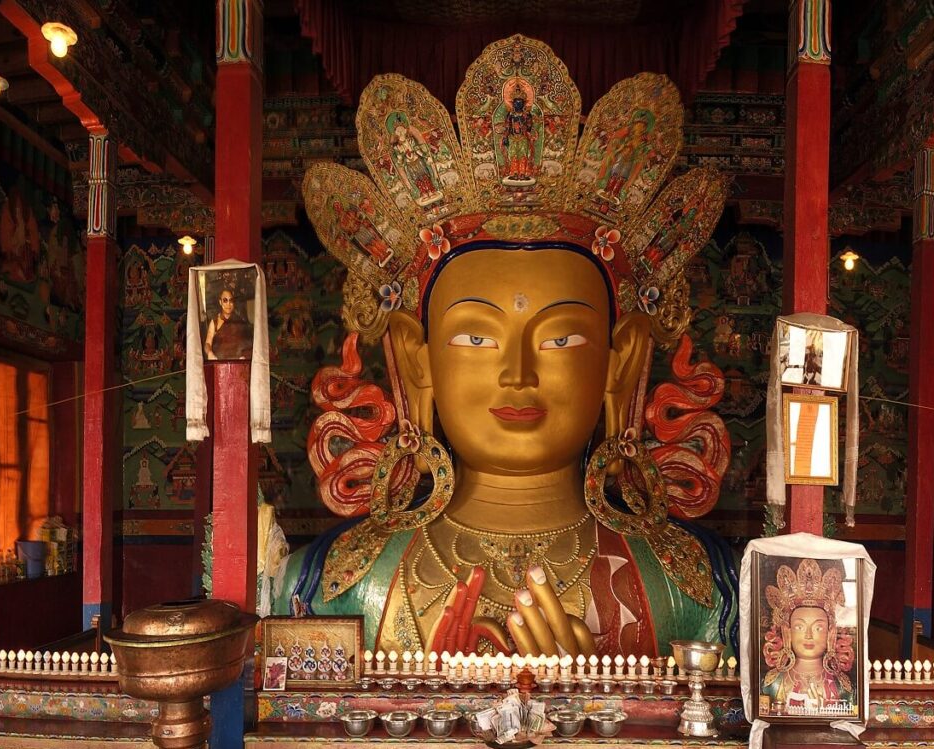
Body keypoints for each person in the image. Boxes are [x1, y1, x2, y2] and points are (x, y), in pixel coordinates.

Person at [277, 37, 737, 658]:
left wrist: (595, 694)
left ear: (621, 360)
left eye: (560, 337)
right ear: (416, 358)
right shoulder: (338, 584)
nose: (518, 374)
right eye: (476, 336)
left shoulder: (696, 589)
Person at [760, 558, 855, 713]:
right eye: (800, 627)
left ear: (830, 633)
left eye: (818, 628)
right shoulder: (772, 684)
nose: (809, 635)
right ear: (787, 632)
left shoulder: (842, 686)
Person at [204, 288, 252, 360]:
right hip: (219, 362)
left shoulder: (240, 321)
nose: (228, 304)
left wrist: (245, 356)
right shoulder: (215, 322)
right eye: (225, 300)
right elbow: (207, 343)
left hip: (237, 361)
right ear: (220, 302)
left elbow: (248, 344)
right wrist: (210, 353)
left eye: (231, 300)